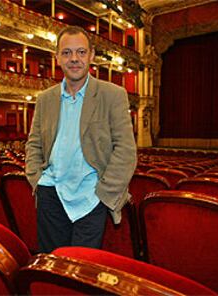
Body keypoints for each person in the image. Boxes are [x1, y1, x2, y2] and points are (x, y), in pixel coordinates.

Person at [25, 26, 137, 253]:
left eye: (81, 52)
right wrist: (38, 181)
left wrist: (103, 194)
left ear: (91, 55)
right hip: (51, 195)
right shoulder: (45, 99)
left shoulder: (113, 95)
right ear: (57, 57)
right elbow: (33, 143)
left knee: (82, 269)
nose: (74, 59)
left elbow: (126, 150)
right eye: (66, 53)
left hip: (92, 198)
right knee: (53, 264)